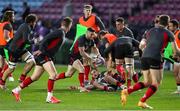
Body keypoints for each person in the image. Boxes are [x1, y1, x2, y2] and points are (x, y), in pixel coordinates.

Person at [121, 15, 180, 109]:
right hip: (155, 57)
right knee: (156, 83)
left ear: (159, 22)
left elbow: (141, 45)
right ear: (167, 24)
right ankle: (142, 101)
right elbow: (175, 50)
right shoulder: (169, 33)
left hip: (144, 57)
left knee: (147, 82)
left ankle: (127, 91)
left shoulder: (149, 31)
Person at [12, 17, 73, 103]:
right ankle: (49, 98)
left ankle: (16, 90)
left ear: (62, 24)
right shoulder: (60, 32)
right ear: (69, 26)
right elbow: (45, 39)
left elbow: (47, 40)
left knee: (35, 77)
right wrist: (41, 50)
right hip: (44, 55)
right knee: (53, 75)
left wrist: (41, 50)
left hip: (44, 55)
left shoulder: (60, 32)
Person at [0, 14, 37, 89]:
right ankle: (2, 83)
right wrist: (33, 41)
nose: (35, 23)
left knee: (32, 62)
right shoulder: (26, 27)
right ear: (31, 22)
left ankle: (21, 79)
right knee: (11, 68)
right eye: (35, 22)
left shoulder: (26, 26)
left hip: (21, 49)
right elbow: (26, 40)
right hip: (14, 50)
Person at [0, 11, 15, 81]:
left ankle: (6, 76)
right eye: (13, 16)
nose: (14, 17)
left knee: (2, 63)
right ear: (9, 17)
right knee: (10, 63)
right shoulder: (7, 25)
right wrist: (13, 44)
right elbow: (6, 36)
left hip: (0, 46)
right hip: (5, 47)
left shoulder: (1, 24)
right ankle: (3, 79)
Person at [168, 19, 180, 94]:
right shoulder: (174, 34)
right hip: (176, 57)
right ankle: (179, 90)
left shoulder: (179, 33)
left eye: (170, 26)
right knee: (175, 73)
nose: (169, 28)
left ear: (175, 26)